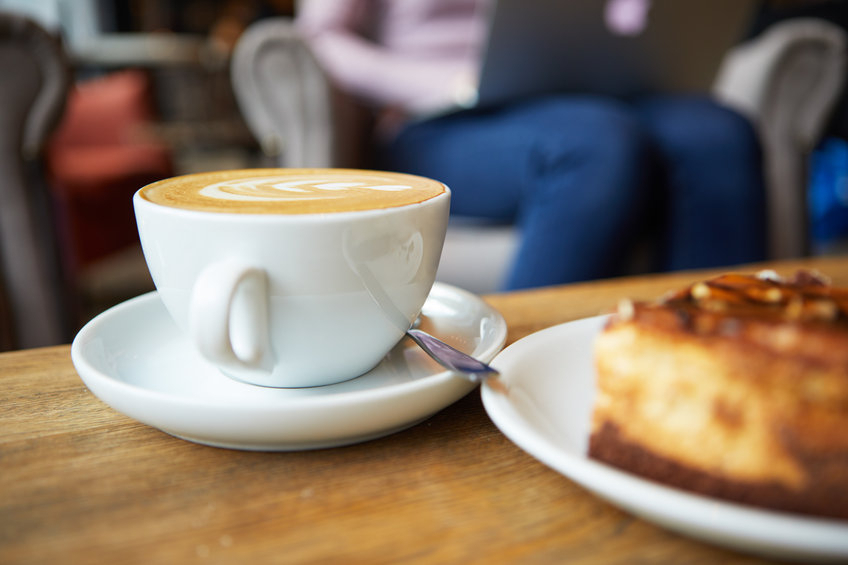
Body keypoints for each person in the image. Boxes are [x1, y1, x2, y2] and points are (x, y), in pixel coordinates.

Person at [296, 0, 767, 290]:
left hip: (576, 95)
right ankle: (522, 380)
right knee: (594, 146)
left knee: (718, 133)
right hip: (438, 117)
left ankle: (719, 366)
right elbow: (320, 37)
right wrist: (449, 83)